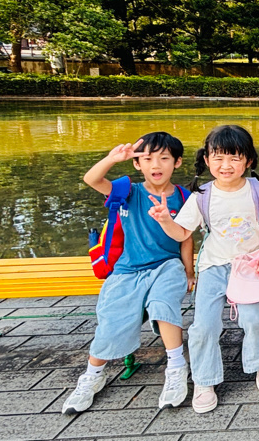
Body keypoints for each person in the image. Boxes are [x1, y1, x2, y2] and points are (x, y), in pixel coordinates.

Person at [150, 125, 259, 413]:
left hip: (249, 264)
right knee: (204, 326)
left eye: (234, 158)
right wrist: (164, 220)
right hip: (213, 266)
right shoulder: (201, 195)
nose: (226, 165)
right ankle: (204, 379)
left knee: (254, 319)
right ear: (207, 160)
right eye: (218, 158)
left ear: (248, 160)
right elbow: (183, 232)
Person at [63, 132, 194, 414]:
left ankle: (176, 367)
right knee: (112, 316)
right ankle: (92, 376)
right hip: (128, 269)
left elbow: (186, 238)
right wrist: (112, 159)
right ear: (137, 163)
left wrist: (189, 271)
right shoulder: (128, 192)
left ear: (177, 162)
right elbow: (92, 179)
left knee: (163, 304)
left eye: (164, 158)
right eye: (147, 159)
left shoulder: (184, 197)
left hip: (167, 265)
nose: (155, 165)